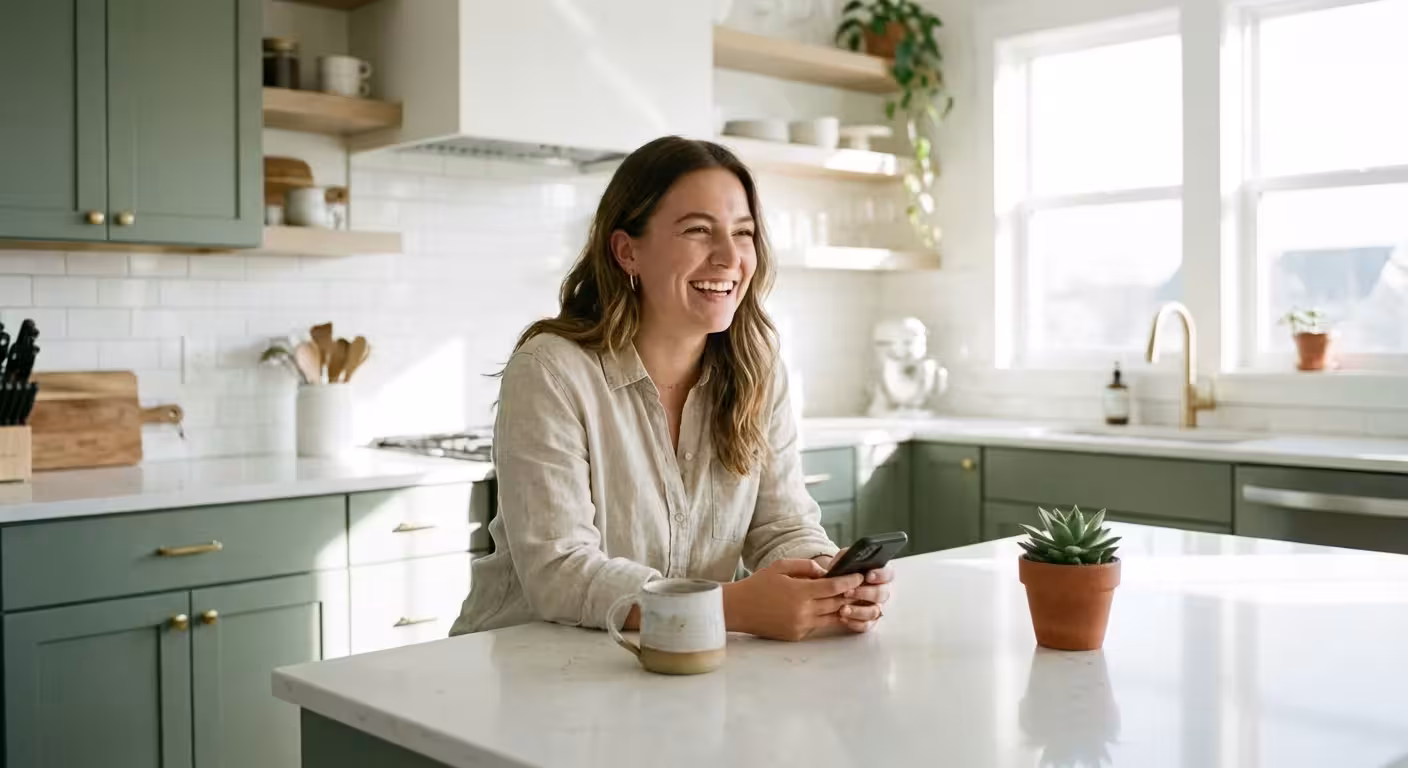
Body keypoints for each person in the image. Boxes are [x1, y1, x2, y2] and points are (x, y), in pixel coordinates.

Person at [450, 136, 894, 641]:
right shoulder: (551, 370)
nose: (730, 257)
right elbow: (559, 571)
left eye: (743, 233)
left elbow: (782, 525)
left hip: (675, 661)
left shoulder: (757, 367)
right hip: (521, 662)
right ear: (627, 251)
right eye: (698, 231)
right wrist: (730, 607)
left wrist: (827, 580)